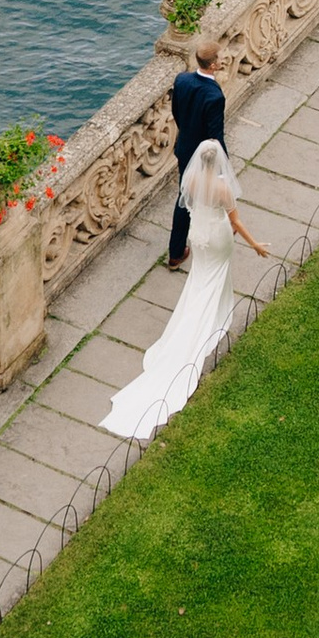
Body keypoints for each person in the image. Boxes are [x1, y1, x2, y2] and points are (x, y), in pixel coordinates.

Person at [102, 138, 266, 442]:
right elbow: (235, 221)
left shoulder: (189, 179)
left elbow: (189, 207)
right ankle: (208, 321)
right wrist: (255, 244)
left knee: (200, 279)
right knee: (213, 280)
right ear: (218, 163)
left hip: (199, 235)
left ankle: (202, 318)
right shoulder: (223, 188)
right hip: (217, 237)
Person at [165, 36, 226, 271]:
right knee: (191, 200)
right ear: (213, 65)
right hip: (202, 156)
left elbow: (177, 112)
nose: (223, 59)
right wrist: (223, 166)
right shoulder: (214, 96)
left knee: (187, 196)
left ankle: (180, 249)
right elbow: (215, 136)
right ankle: (178, 251)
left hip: (184, 147)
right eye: (220, 57)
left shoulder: (182, 80)